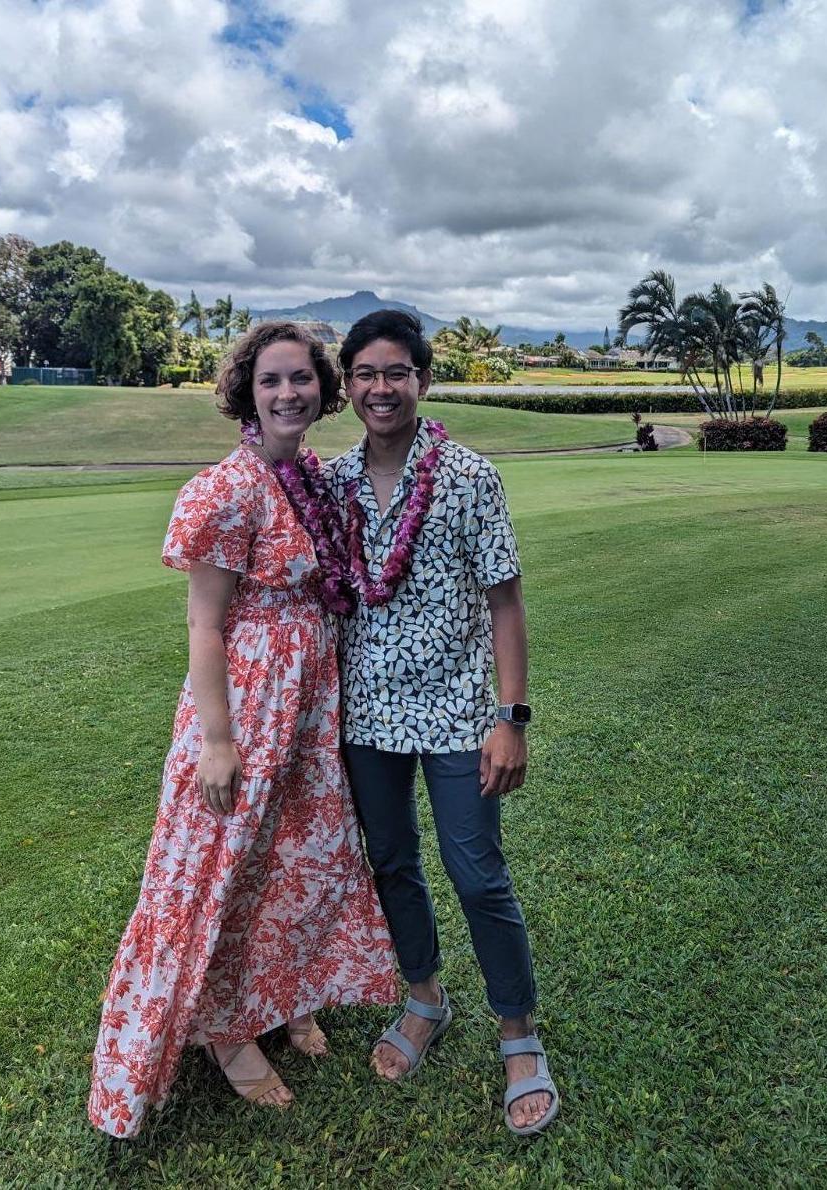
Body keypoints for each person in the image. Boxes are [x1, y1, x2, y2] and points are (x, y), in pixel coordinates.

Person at [88, 322, 397, 1138]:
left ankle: (284, 995)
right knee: (227, 863)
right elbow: (203, 624)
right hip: (251, 700)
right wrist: (217, 742)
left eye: (301, 378)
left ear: (322, 390)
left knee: (298, 853)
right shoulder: (226, 490)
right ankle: (225, 1033)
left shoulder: (310, 478)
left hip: (310, 701)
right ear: (245, 394)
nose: (287, 393)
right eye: (270, 381)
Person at [325, 309, 559, 1137]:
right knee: (391, 863)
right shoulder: (333, 481)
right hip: (366, 712)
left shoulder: (468, 476)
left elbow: (505, 602)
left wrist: (511, 718)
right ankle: (424, 997)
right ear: (347, 385)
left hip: (460, 711)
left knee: (477, 874)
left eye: (396, 372)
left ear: (422, 380)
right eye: (365, 373)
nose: (381, 388)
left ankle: (518, 1033)